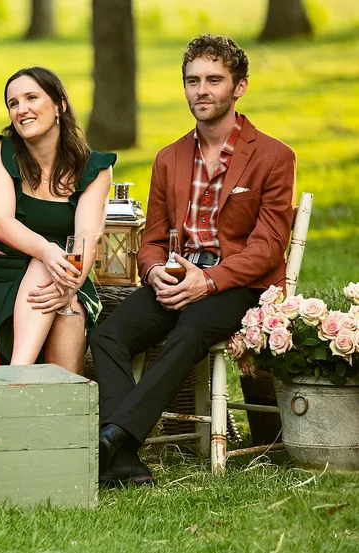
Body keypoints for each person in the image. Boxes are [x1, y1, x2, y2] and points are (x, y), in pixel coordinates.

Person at [91, 34, 296, 488]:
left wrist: (209, 282)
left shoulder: (274, 156)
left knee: (189, 331)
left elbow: (267, 247)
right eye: (192, 81)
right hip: (178, 279)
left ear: (239, 86)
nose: (201, 90)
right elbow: (152, 239)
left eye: (213, 80)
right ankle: (123, 455)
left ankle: (116, 436)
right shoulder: (169, 158)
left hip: (242, 286)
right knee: (108, 334)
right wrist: (153, 270)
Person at [0, 67, 114, 369]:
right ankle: (31, 386)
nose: (21, 110)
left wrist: (69, 284)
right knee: (47, 263)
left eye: (31, 98)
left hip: (66, 276)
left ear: (59, 104)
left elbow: (88, 235)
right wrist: (48, 252)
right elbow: (1, 222)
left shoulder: (95, 167)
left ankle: (27, 383)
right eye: (13, 103)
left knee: (70, 308)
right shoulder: (0, 151)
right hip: (5, 276)